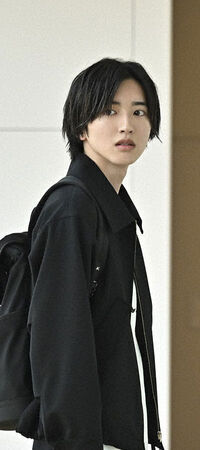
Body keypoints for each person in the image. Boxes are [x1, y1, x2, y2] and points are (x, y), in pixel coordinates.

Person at [16, 58, 164, 449]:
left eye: (139, 112)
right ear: (81, 126)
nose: (126, 125)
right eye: (109, 111)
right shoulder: (72, 209)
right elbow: (59, 343)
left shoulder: (111, 208)